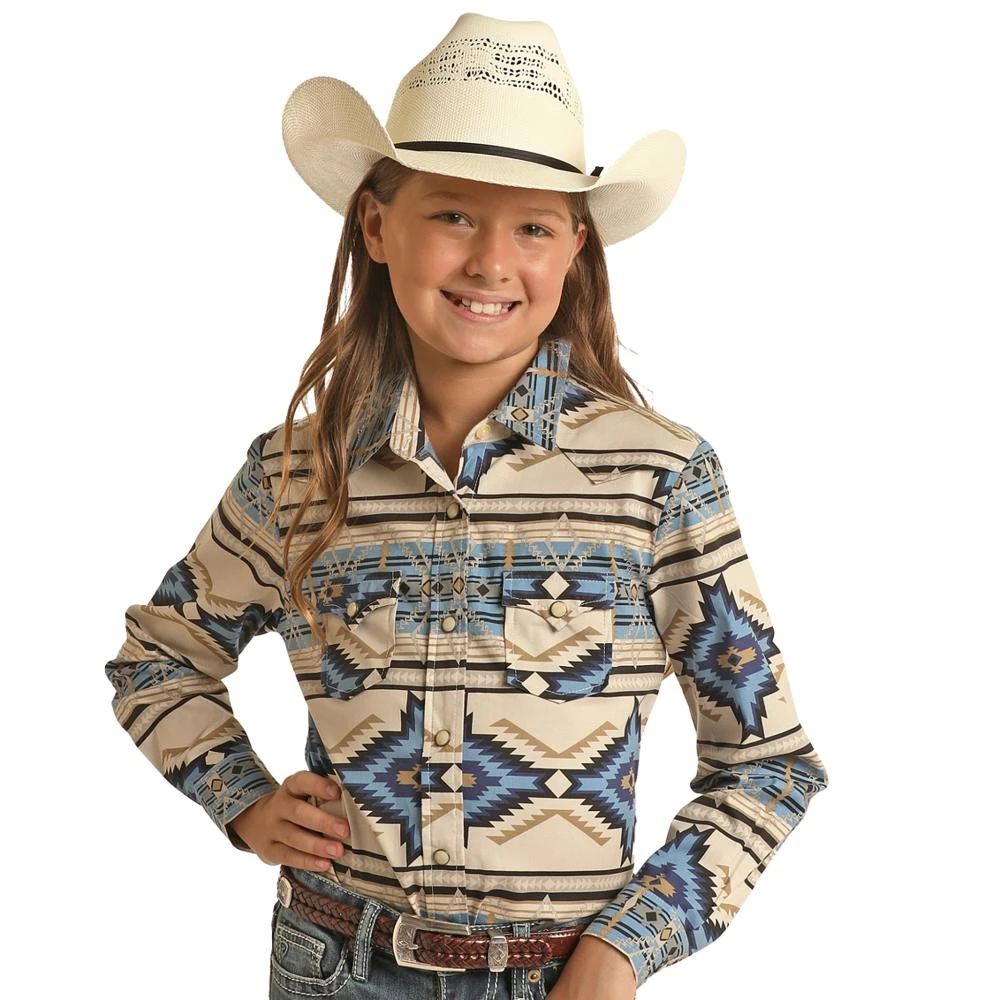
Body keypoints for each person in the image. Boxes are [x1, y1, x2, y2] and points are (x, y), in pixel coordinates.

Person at [104, 12, 830, 999]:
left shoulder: (657, 477)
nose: (491, 261)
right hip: (334, 965)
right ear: (376, 227)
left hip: (557, 978)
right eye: (452, 214)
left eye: (532, 226)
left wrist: (627, 948)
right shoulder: (295, 474)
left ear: (573, 247)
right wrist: (243, 799)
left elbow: (768, 764)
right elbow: (158, 659)